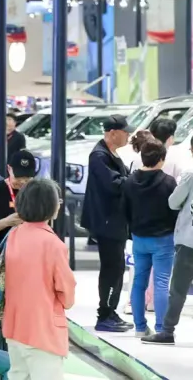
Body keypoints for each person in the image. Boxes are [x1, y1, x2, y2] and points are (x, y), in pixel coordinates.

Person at [3, 178, 76, 379]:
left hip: (14, 327)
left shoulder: (13, 235)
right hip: (43, 330)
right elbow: (67, 293)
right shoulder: (53, 244)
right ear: (50, 206)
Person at [122, 138, 178, 337]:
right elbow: (174, 210)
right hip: (163, 239)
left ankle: (140, 327)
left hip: (139, 238)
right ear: (161, 159)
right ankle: (161, 329)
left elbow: (125, 210)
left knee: (139, 282)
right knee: (161, 283)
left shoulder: (129, 182)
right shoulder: (168, 182)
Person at [81, 114, 132, 332]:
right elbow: (113, 184)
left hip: (115, 221)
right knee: (112, 268)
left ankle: (111, 311)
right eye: (125, 132)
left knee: (117, 267)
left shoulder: (111, 154)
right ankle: (104, 315)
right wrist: (135, 181)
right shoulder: (99, 156)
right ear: (113, 133)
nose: (128, 135)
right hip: (107, 222)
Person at [144, 129, 193, 345]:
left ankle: (167, 331)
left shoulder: (190, 174)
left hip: (189, 239)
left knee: (178, 289)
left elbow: (173, 202)